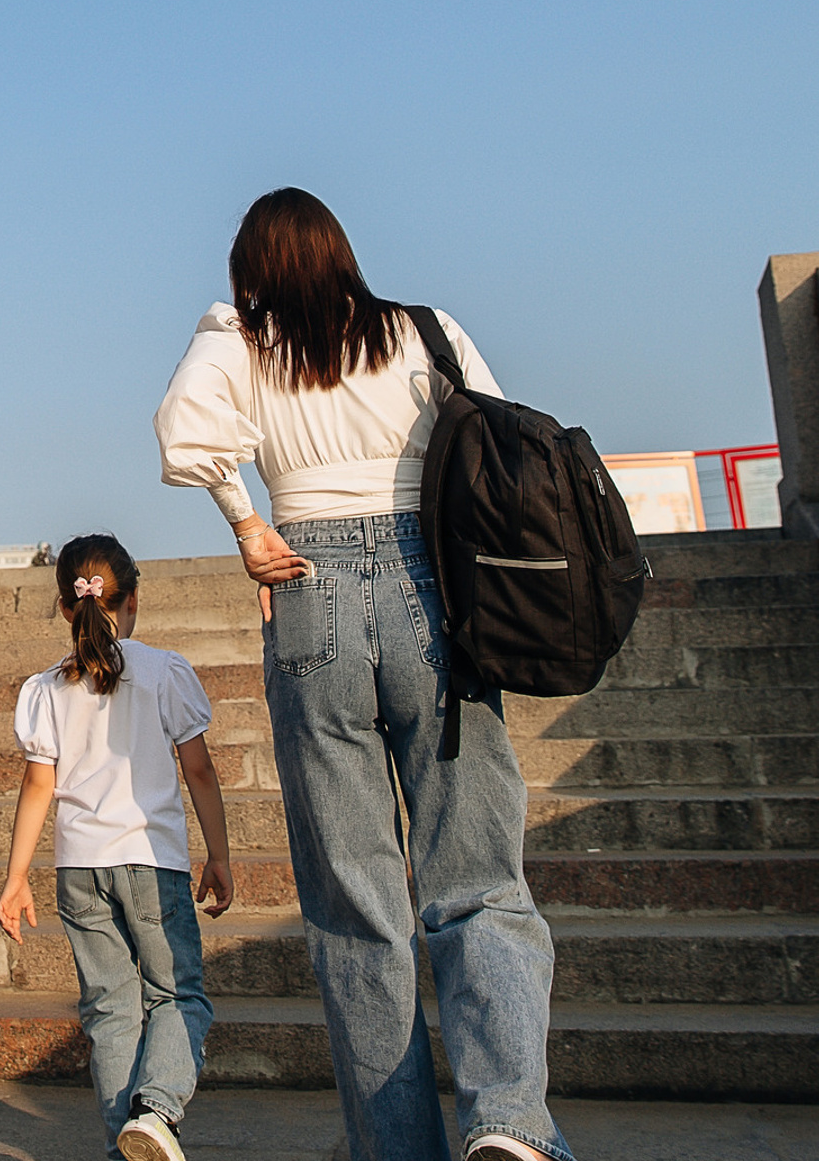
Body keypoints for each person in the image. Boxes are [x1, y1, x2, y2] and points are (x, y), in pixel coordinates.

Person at [153, 187, 571, 1161]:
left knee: (354, 907)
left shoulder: (240, 335)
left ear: (251, 266)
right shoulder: (425, 332)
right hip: (436, 591)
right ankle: (508, 1123)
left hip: (309, 588)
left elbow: (186, 432)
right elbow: (503, 438)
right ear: (341, 253)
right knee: (477, 879)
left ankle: (397, 1148)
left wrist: (245, 519)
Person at [0, 535, 232, 1161]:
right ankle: (156, 1111)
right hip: (151, 861)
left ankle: (120, 1144)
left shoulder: (45, 688)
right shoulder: (163, 671)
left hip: (80, 868)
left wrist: (16, 877)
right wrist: (220, 854)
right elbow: (200, 771)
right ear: (131, 601)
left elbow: (38, 782)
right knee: (178, 995)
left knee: (110, 1012)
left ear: (65, 606)